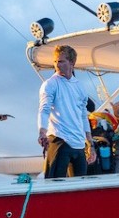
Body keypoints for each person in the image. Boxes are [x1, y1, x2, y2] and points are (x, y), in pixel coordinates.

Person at [37, 45, 95, 177]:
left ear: (72, 63)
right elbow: (44, 109)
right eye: (55, 61)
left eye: (61, 61)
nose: (57, 64)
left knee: (80, 189)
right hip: (59, 140)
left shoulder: (79, 86)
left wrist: (90, 143)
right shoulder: (50, 84)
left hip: (79, 144)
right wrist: (42, 132)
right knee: (54, 188)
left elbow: (83, 116)